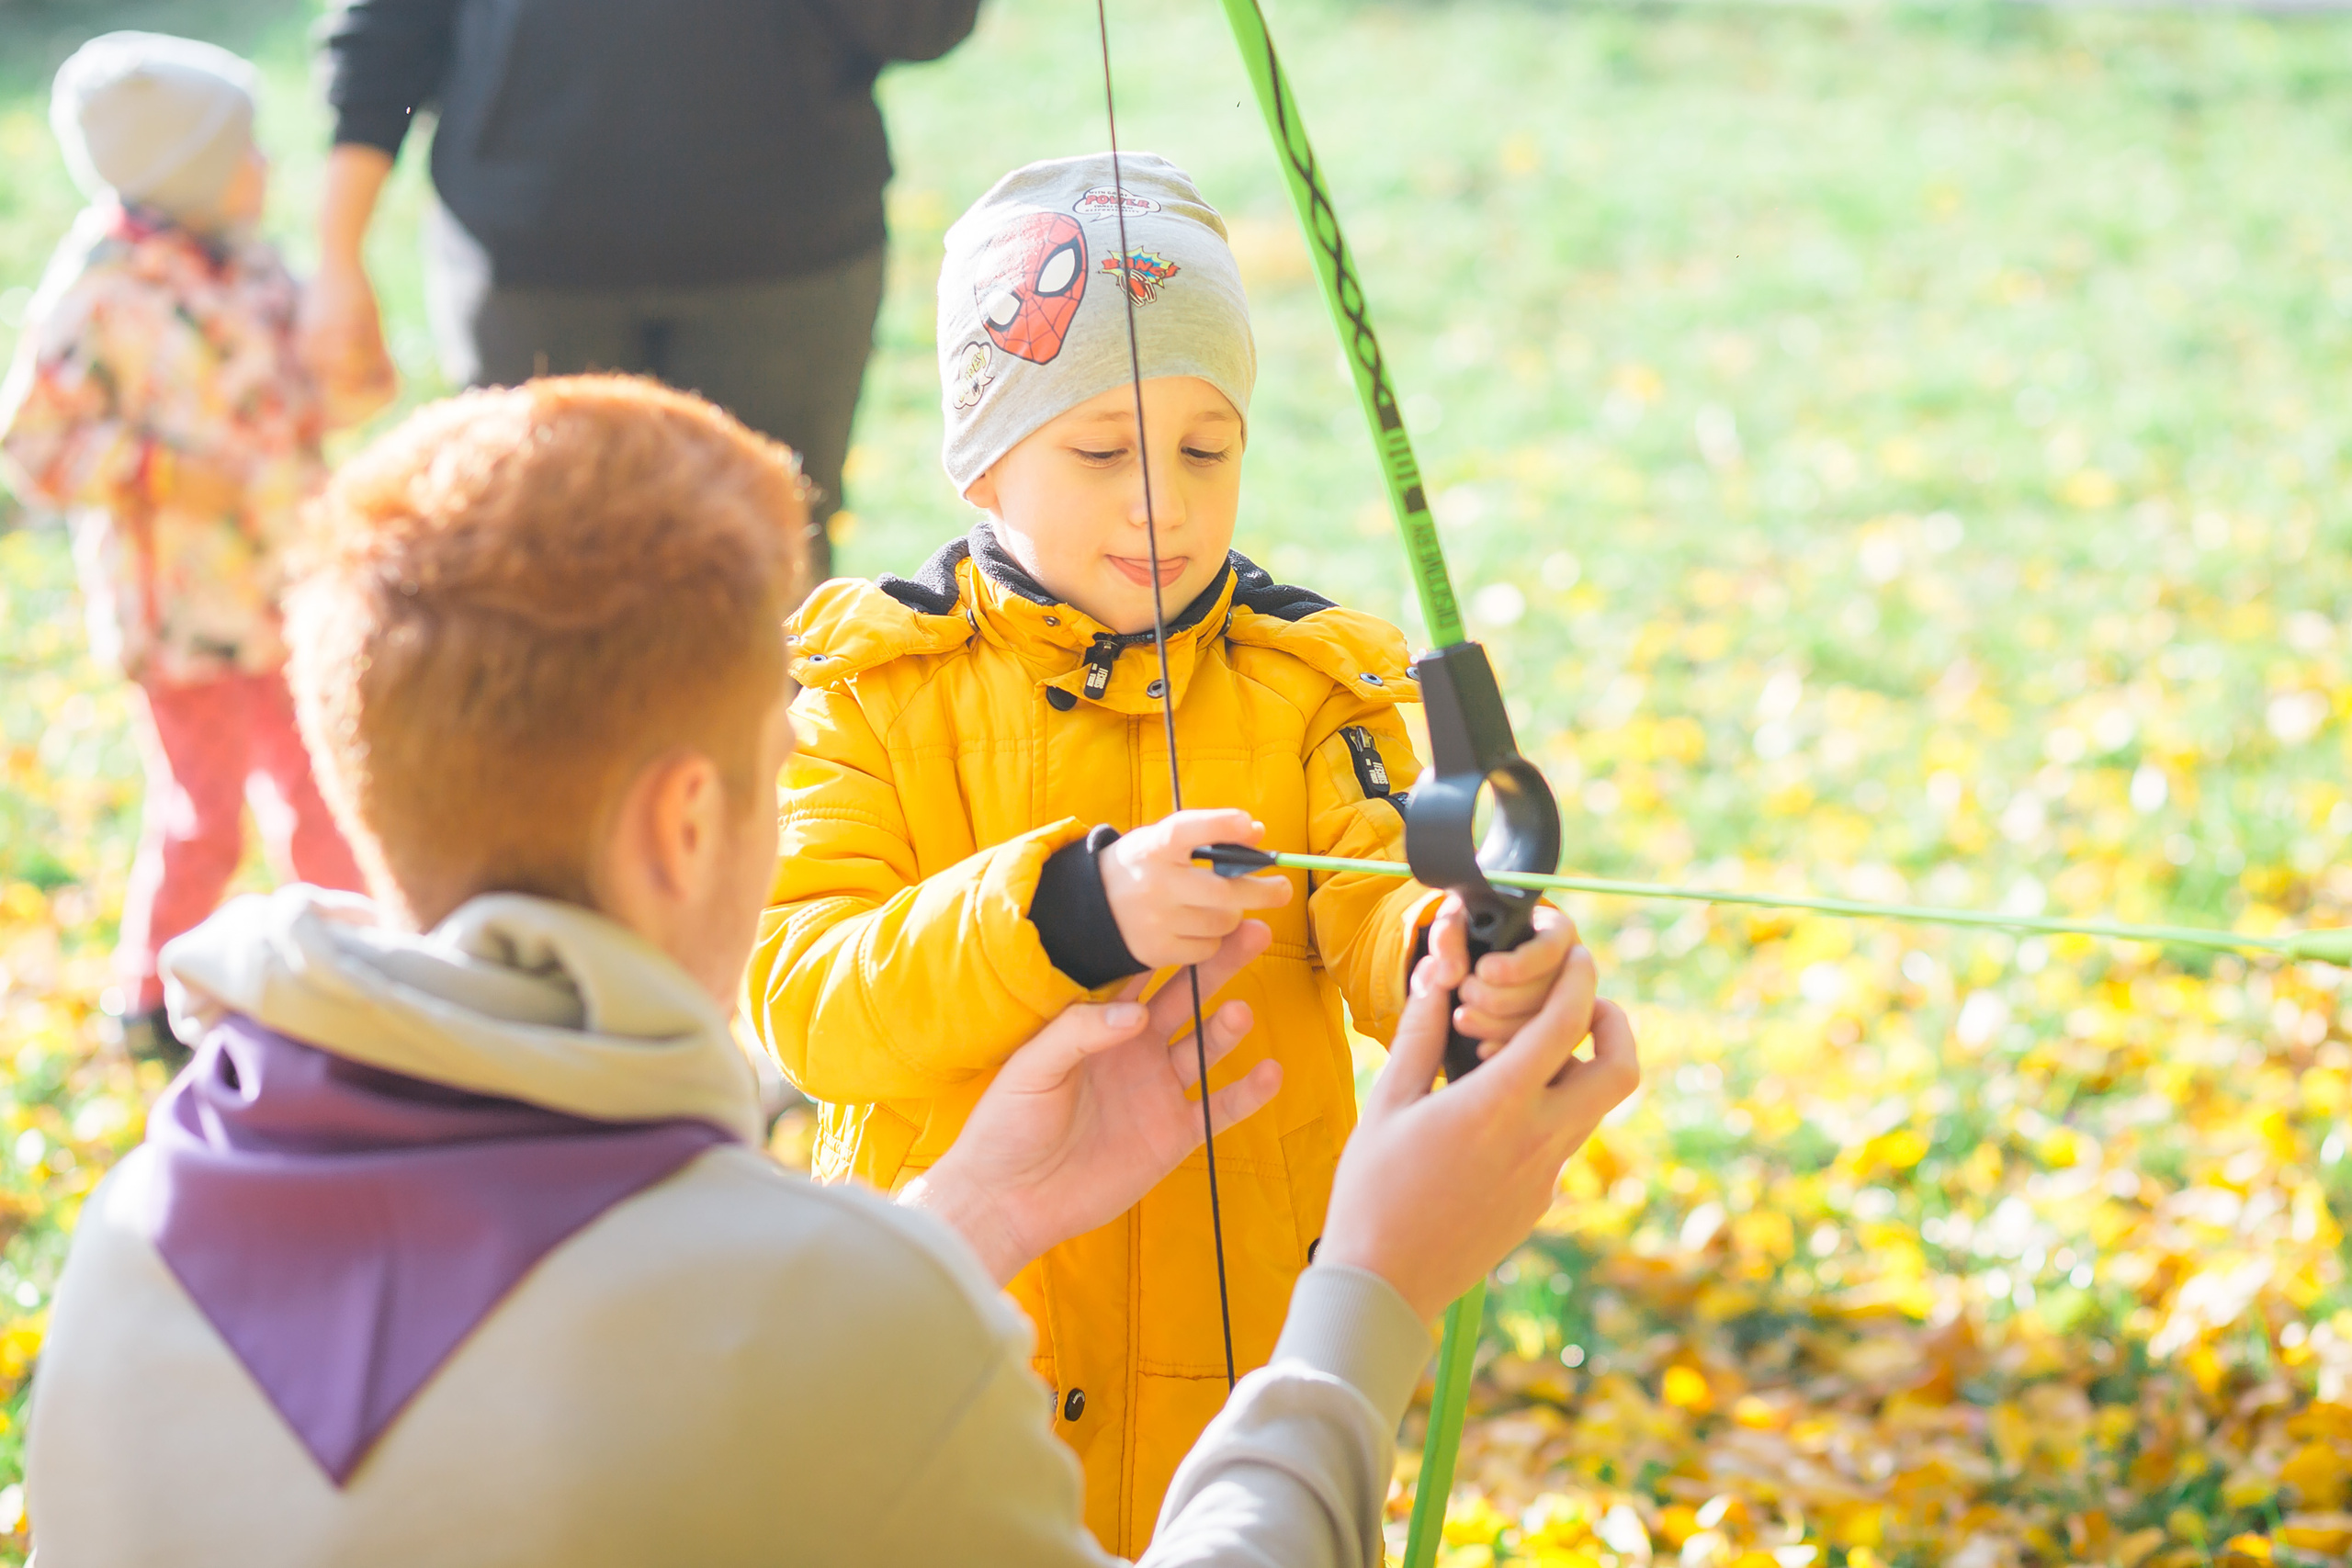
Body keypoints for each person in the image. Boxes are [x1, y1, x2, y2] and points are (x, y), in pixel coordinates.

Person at [24, 374, 1638, 1566]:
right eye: (775, 753)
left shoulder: (150, 1223)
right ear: (685, 823)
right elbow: (751, 1354)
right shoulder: (793, 1319)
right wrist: (1372, 1292)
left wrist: (971, 1215)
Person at [748, 151, 1580, 1552]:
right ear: (981, 456)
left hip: (1241, 1346)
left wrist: (1463, 962)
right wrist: (1071, 911)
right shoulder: (868, 691)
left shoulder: (1308, 686)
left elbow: (1381, 900)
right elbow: (805, 995)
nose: (1164, 503)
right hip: (951, 1352)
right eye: (1100, 451)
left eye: (1207, 448)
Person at [303, 0, 985, 581]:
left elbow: (926, 24)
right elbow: (388, 27)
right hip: (529, 267)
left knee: (769, 581)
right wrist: (339, 252)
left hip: (785, 261)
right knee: (531, 586)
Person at [0, 31, 368, 1066]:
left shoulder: (253, 266)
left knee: (323, 789)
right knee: (203, 812)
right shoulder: (99, 293)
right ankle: (153, 992)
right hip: (181, 616)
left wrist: (342, 379)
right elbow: (33, 446)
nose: (265, 166)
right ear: (182, 174)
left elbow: (290, 388)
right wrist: (158, 471)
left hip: (289, 588)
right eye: (242, 151)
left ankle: (344, 965)